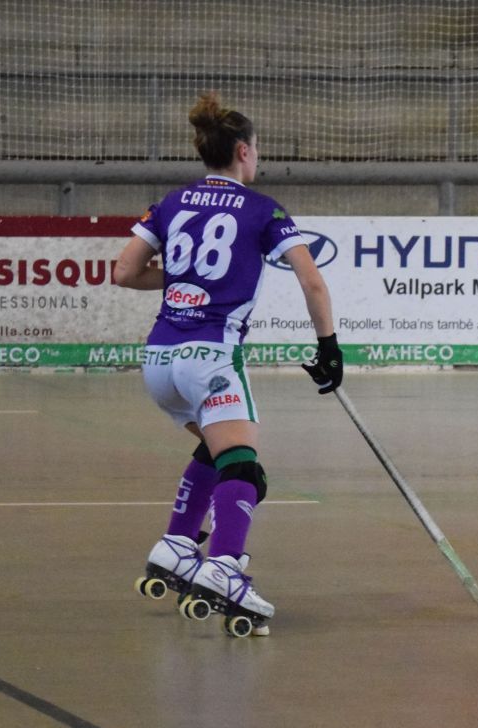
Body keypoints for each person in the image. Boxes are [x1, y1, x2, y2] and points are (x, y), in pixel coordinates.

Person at [117, 92, 343, 637]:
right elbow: (312, 279)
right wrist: (328, 346)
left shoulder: (171, 202)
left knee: (218, 453)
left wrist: (184, 281)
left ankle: (176, 546)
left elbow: (124, 273)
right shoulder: (264, 209)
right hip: (211, 359)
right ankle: (223, 569)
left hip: (159, 362)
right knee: (245, 469)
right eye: (257, 150)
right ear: (243, 151)